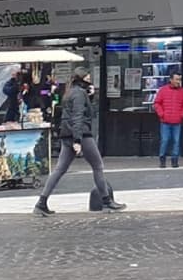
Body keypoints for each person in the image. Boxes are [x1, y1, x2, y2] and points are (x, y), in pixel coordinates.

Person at [34, 67, 124, 216]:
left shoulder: (71, 92)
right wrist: (78, 140)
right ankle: (107, 201)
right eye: (88, 78)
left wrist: (91, 97)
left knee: (60, 169)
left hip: (67, 134)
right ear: (82, 79)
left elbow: (76, 113)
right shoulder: (79, 94)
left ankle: (41, 203)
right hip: (81, 134)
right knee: (98, 166)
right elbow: (78, 116)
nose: (90, 81)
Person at [153, 70, 183, 168]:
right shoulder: (163, 90)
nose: (178, 81)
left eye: (179, 79)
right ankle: (162, 159)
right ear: (171, 80)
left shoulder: (182, 92)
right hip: (165, 121)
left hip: (177, 121)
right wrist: (161, 114)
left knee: (176, 141)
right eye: (177, 79)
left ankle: (174, 160)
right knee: (165, 140)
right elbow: (157, 103)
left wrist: (182, 115)